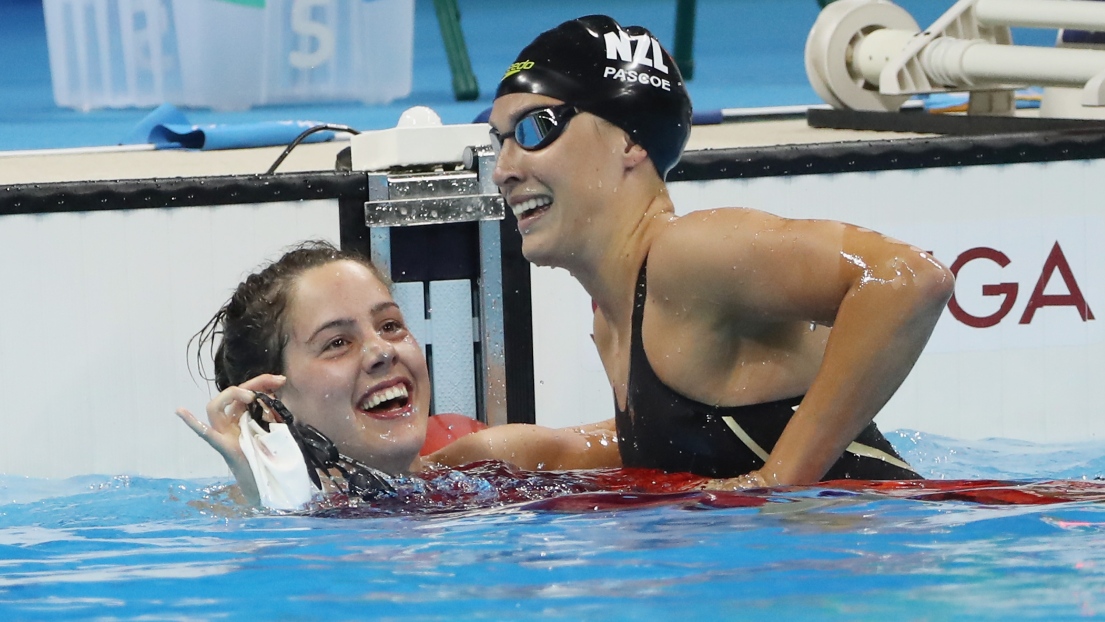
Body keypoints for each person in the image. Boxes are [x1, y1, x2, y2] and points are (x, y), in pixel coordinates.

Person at [487, 15, 956, 488]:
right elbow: (688, 439)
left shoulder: (686, 255)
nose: (503, 169)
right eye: (498, 141)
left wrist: (776, 481)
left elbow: (910, 277)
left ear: (629, 139)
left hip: (892, 538)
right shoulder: (612, 321)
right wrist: (497, 452)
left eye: (535, 128)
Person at [176, 240, 622, 508]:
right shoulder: (238, 522)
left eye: (390, 325)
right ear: (271, 402)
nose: (381, 351)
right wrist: (271, 508)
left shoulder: (496, 464)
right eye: (337, 343)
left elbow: (667, 437)